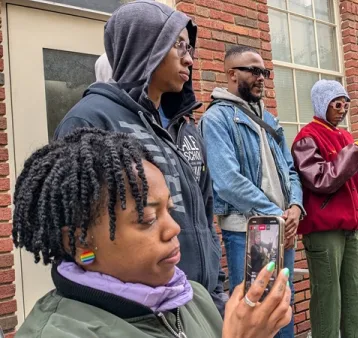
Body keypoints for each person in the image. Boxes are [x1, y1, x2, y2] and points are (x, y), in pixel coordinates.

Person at [13, 128, 292, 338]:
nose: (174, 228)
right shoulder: (57, 333)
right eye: (147, 218)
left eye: (169, 211)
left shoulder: (193, 297)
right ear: (79, 240)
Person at [53, 1, 228, 315]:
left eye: (192, 49)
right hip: (138, 316)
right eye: (180, 46)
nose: (189, 58)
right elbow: (77, 241)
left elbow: (204, 212)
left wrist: (215, 292)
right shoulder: (89, 122)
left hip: (197, 305)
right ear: (147, 46)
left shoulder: (183, 127)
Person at [201, 45, 304, 338]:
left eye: (265, 72)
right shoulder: (217, 118)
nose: (262, 77)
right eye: (254, 71)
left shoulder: (269, 120)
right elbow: (227, 180)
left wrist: (295, 207)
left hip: (283, 226)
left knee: (283, 304)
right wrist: (277, 216)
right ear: (232, 74)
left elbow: (291, 170)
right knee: (256, 311)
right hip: (251, 230)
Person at [291, 80, 358, 338]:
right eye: (337, 104)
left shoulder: (344, 136)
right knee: (327, 297)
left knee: (356, 291)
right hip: (324, 230)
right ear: (322, 104)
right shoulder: (306, 138)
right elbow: (321, 179)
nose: (342, 110)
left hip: (349, 228)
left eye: (345, 104)